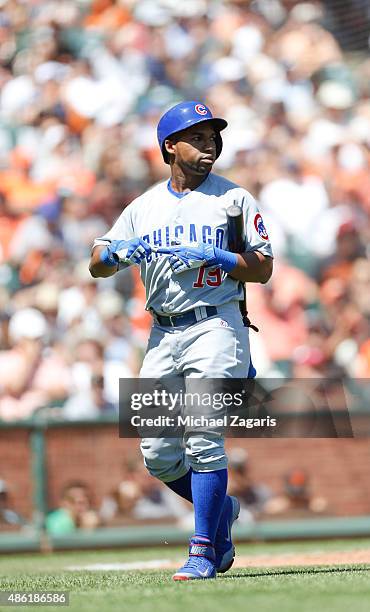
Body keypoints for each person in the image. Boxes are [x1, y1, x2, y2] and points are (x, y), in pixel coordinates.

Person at [89, 101, 273, 580]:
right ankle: (221, 511)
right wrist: (114, 254)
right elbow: (96, 260)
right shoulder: (144, 206)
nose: (209, 142)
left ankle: (203, 551)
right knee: (156, 454)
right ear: (170, 146)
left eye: (213, 134)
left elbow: (264, 268)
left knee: (203, 437)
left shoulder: (233, 199)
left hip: (217, 323)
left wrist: (219, 255)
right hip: (162, 330)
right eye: (198, 136)